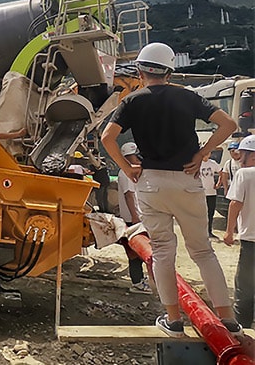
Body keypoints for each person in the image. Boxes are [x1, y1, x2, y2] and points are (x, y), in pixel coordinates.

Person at [100, 42, 241, 337]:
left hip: (150, 183)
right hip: (186, 180)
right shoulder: (187, 96)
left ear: (140, 70)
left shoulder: (132, 100)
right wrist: (203, 153)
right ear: (170, 70)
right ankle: (228, 320)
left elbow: (107, 138)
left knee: (163, 251)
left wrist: (127, 169)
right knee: (203, 250)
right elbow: (228, 124)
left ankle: (173, 320)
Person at [224, 134, 255, 329]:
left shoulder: (245, 174)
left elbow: (235, 204)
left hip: (251, 240)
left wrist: (229, 231)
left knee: (244, 287)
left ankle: (241, 331)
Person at [116, 142, 151, 294]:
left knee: (137, 252)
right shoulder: (125, 173)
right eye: (136, 156)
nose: (138, 159)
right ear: (129, 157)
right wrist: (135, 217)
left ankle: (140, 279)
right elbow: (129, 195)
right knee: (135, 252)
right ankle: (137, 282)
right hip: (133, 219)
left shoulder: (127, 171)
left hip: (135, 217)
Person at [199, 154, 222, 238]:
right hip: (200, 192)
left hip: (211, 192)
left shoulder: (212, 163)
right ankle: (200, 231)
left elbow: (221, 172)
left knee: (210, 212)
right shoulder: (198, 163)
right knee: (200, 213)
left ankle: (209, 231)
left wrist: (219, 183)